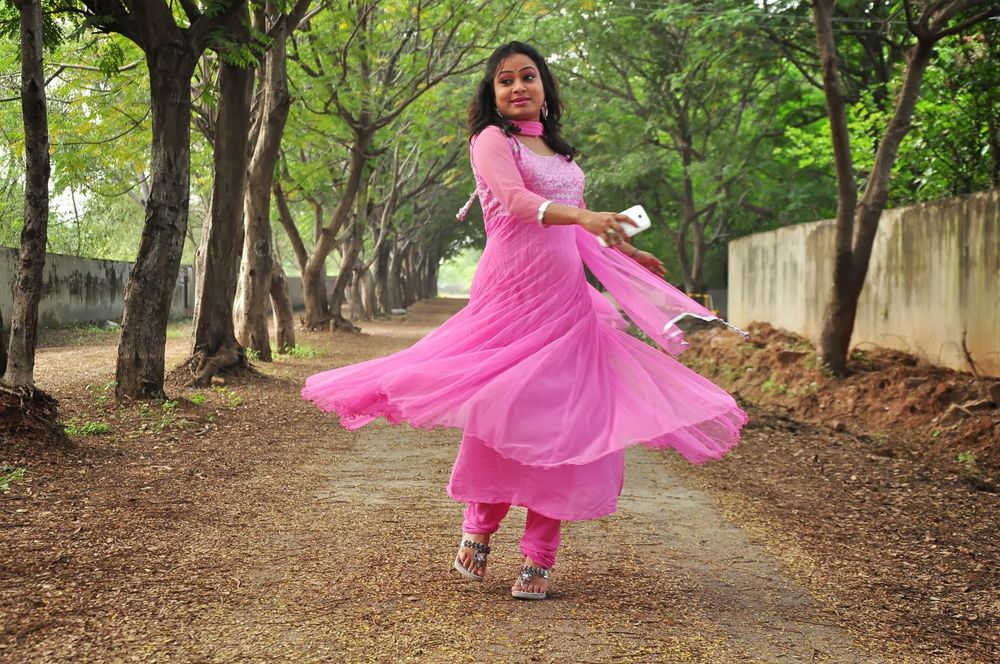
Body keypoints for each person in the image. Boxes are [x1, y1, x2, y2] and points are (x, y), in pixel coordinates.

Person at [302, 41, 747, 601]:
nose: (518, 87)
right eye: (506, 79)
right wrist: (585, 214)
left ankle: (540, 555)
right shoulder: (492, 141)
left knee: (563, 422)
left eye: (528, 76)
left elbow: (575, 232)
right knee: (503, 411)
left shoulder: (562, 156)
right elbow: (515, 203)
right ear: (493, 93)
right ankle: (479, 528)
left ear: (545, 87)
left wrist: (628, 251)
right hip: (510, 296)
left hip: (567, 301)